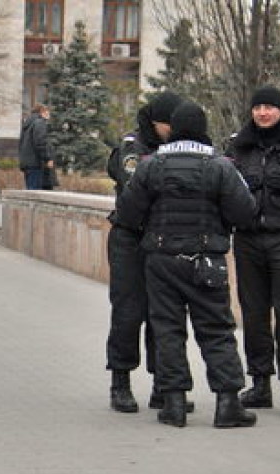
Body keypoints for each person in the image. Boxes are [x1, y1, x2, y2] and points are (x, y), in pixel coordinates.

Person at [114, 101, 259, 428]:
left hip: (162, 259)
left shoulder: (152, 165)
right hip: (207, 259)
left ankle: (174, 403)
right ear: (203, 129)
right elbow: (245, 212)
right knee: (217, 330)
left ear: (174, 128)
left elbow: (128, 212)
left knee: (167, 329)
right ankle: (227, 404)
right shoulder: (221, 166)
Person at [104, 91, 182, 413]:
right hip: (130, 239)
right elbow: (137, 187)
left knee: (162, 314)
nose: (173, 130)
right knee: (128, 311)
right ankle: (120, 383)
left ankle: (161, 386)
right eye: (168, 124)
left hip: (164, 240)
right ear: (155, 121)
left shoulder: (175, 146)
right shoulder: (132, 147)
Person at [226, 85, 280, 418]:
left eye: (269, 107)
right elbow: (226, 187)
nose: (263, 113)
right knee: (253, 313)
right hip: (249, 238)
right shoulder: (240, 145)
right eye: (258, 107)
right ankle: (260, 383)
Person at [18, 105, 55, 190]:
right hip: (36, 163)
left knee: (30, 191)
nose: (49, 113)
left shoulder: (27, 124)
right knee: (36, 193)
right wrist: (48, 159)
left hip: (27, 163)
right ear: (42, 112)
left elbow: (21, 144)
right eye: (47, 111)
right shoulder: (39, 122)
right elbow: (40, 143)